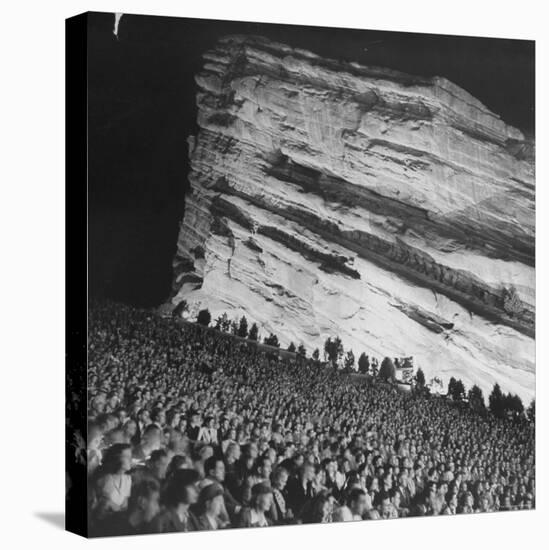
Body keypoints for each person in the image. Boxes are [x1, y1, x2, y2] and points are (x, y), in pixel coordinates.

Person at [93, 443, 133, 518]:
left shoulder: (128, 479)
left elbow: (124, 507)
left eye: (131, 457)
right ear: (116, 458)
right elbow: (103, 507)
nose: (130, 460)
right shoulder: (106, 479)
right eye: (127, 457)